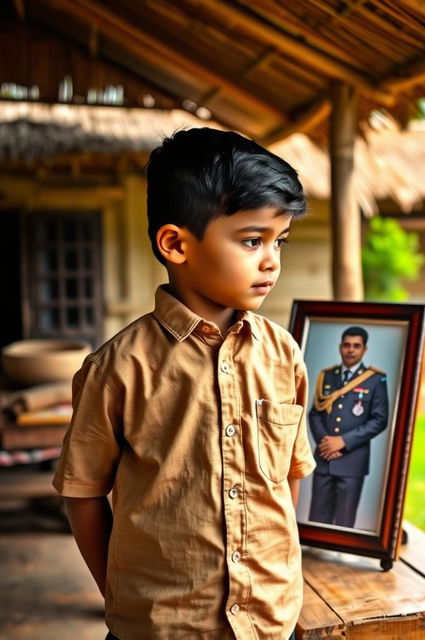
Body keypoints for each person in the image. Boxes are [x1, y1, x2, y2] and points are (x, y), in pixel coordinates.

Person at [52, 128, 316, 640]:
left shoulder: (283, 353)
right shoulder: (117, 368)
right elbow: (82, 492)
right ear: (176, 243)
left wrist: (278, 574)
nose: (271, 260)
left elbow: (290, 475)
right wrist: (122, 594)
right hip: (159, 627)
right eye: (251, 240)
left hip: (269, 623)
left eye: (279, 241)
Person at [307, 326, 389, 528]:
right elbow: (315, 413)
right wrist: (325, 443)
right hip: (324, 459)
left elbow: (380, 420)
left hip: (352, 462)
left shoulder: (375, 380)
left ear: (364, 350)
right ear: (340, 347)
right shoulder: (326, 376)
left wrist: (343, 442)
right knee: (318, 518)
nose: (351, 350)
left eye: (356, 346)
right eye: (346, 345)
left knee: (344, 522)